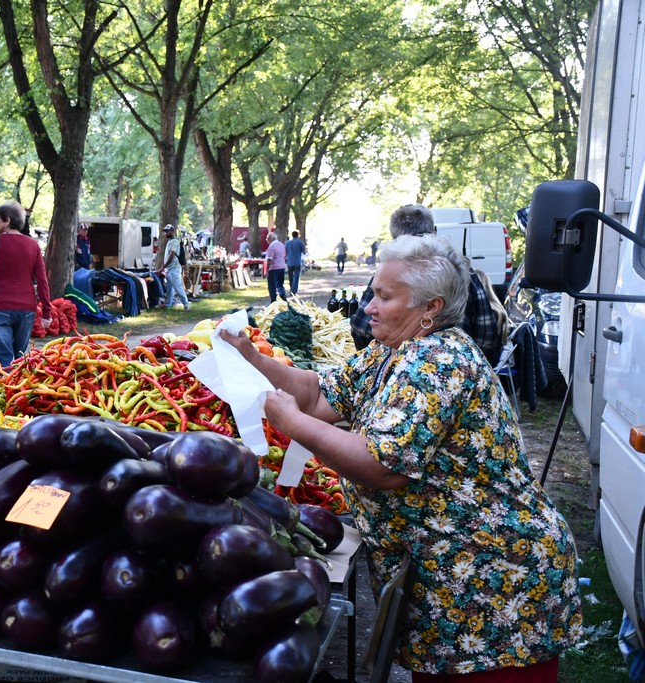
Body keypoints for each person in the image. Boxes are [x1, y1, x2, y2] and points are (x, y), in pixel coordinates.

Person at [220, 234, 583, 680]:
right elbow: (317, 396)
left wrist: (291, 424)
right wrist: (252, 356)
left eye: (383, 296)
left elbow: (381, 466)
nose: (368, 307)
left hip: (491, 578)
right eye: (373, 292)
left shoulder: (439, 362)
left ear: (430, 308)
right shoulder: (390, 351)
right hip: (449, 573)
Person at [351, 204, 505, 364]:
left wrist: (378, 360)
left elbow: (360, 327)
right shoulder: (465, 272)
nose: (371, 307)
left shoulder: (425, 371)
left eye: (384, 297)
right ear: (433, 231)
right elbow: (486, 334)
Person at [0, 200, 52, 369]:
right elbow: (42, 280)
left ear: (7, 220)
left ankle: (7, 391)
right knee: (20, 358)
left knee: (4, 357)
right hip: (27, 309)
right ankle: (18, 390)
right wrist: (46, 311)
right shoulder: (33, 245)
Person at [158, 224, 190, 311]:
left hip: (174, 268)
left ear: (172, 231)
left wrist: (164, 266)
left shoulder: (174, 242)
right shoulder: (170, 241)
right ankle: (168, 304)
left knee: (178, 287)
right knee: (170, 289)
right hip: (170, 269)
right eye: (165, 232)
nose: (166, 233)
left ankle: (186, 305)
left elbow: (172, 255)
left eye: (167, 231)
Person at [263, 232, 287, 302]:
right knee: (280, 284)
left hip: (273, 268)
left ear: (271, 239)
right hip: (282, 267)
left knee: (272, 285)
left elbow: (269, 259)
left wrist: (266, 270)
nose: (266, 240)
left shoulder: (271, 246)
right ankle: (283, 297)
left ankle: (273, 300)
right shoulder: (281, 245)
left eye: (267, 239)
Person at [284, 231, 305, 296]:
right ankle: (293, 291)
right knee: (296, 277)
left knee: (290, 277)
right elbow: (304, 251)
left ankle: (291, 288)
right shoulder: (300, 242)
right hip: (297, 262)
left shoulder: (287, 243)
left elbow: (285, 252)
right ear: (298, 235)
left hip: (289, 262)